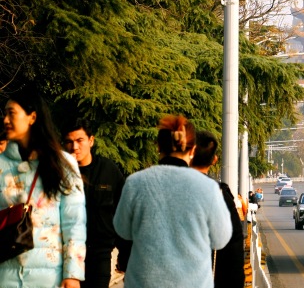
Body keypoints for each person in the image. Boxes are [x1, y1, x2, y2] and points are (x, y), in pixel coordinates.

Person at [113, 115, 231, 288]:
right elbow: (221, 239)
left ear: (158, 146)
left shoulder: (135, 183)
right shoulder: (208, 188)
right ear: (192, 150)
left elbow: (122, 230)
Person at [0, 88, 87, 288]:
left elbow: (74, 222)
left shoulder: (62, 164)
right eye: (4, 113)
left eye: (11, 113)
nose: (5, 119)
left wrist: (72, 274)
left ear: (32, 117)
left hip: (49, 279)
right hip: (5, 277)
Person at [62, 118, 132, 288]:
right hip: (66, 255)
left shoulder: (109, 171)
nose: (75, 147)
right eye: (70, 142)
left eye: (80, 140)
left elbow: (123, 213)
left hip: (99, 255)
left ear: (91, 140)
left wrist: (126, 256)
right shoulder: (59, 173)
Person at [190, 130, 245, 288]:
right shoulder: (219, 194)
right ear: (214, 160)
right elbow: (233, 247)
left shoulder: (168, 190)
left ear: (188, 155)